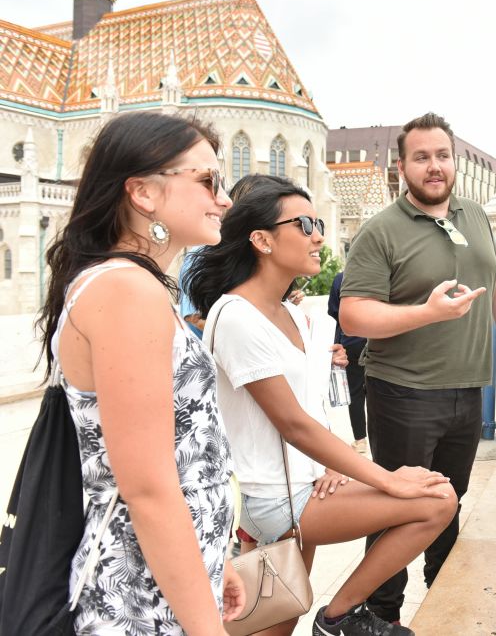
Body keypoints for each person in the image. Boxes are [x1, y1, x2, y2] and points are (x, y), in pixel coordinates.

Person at [185, 176, 457, 636]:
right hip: (275, 498)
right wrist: (388, 480)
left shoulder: (294, 314)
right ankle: (341, 616)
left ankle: (337, 615)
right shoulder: (234, 316)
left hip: (306, 487)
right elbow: (292, 424)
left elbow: (309, 410)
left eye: (318, 223)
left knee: (274, 620)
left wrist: (335, 465)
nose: (318, 235)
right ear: (262, 240)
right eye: (305, 224)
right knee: (435, 501)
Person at [37, 111, 245, 634]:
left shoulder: (133, 284)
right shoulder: (125, 290)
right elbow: (147, 487)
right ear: (143, 193)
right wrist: (205, 626)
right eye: (207, 181)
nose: (223, 198)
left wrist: (213, 560)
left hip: (163, 580)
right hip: (139, 598)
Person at [339, 112, 496, 624]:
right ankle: (378, 618)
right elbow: (354, 313)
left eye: (441, 155)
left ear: (454, 161)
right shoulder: (381, 232)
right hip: (403, 394)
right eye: (421, 157)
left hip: (467, 391)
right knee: (397, 508)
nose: (434, 166)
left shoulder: (476, 216)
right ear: (402, 167)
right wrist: (427, 313)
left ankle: (448, 604)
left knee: (450, 502)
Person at [328, 270, 369, 453]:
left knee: (355, 392)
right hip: (379, 339)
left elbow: (333, 313)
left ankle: (361, 440)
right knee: (380, 388)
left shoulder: (341, 278)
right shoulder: (381, 274)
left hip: (351, 340)